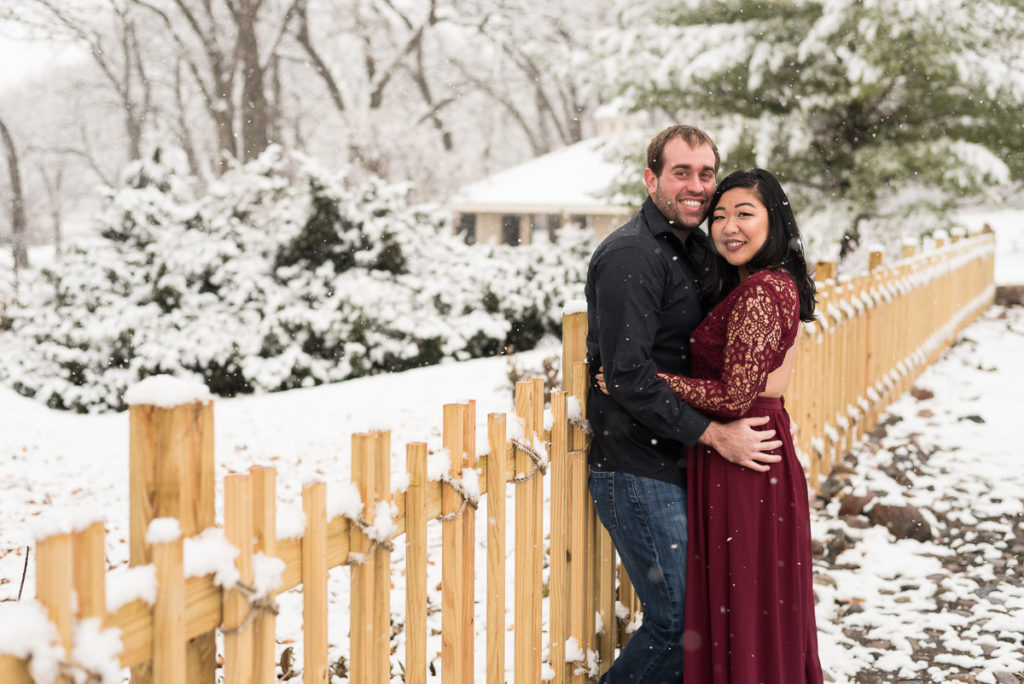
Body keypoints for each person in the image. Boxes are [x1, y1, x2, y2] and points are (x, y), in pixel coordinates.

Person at [602, 168, 824, 682]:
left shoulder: (763, 291)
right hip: (744, 451)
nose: (728, 227)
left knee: (739, 606)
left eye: (745, 214)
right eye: (720, 215)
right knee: (747, 608)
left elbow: (734, 395)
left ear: (776, 221)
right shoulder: (758, 284)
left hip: (743, 453)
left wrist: (649, 377)